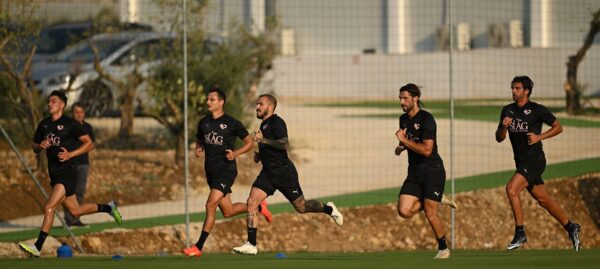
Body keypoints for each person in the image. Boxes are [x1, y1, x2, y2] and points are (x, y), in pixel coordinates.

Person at [232, 94, 343, 256]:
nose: (257, 107)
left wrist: (264, 141)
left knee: (302, 207)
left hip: (284, 173)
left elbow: (284, 143)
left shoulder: (277, 122)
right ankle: (251, 243)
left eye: (260, 104)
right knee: (252, 201)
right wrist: (261, 155)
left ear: (270, 106)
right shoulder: (263, 125)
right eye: (257, 104)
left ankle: (328, 209)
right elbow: (271, 147)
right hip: (268, 173)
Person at [18, 91, 121, 258]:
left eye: (53, 101)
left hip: (67, 172)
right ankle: (109, 207)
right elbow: (34, 147)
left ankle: (37, 246)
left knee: (49, 207)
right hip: (55, 173)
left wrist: (70, 154)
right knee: (76, 211)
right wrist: (41, 145)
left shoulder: (70, 124)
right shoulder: (44, 124)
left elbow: (90, 143)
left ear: (62, 105)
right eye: (49, 101)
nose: (50, 104)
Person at [182, 87, 273, 257]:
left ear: (221, 102)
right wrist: (198, 149)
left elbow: (249, 143)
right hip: (211, 171)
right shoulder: (204, 122)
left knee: (210, 205)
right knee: (228, 211)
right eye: (207, 99)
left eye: (212, 100)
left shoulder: (232, 123)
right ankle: (258, 207)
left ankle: (198, 247)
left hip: (226, 170)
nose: (208, 102)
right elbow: (200, 140)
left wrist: (236, 154)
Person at [495, 76, 580, 251]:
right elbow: (499, 138)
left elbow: (558, 127)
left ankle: (520, 233)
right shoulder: (507, 110)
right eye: (512, 88)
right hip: (521, 162)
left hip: (535, 160)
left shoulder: (537, 109)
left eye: (517, 88)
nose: (513, 91)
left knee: (511, 189)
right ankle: (570, 226)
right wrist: (503, 127)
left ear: (526, 91)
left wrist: (539, 137)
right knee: (543, 199)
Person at [394, 83, 453, 259]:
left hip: (432, 170)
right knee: (404, 211)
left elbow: (427, 150)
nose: (402, 102)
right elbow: (408, 142)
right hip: (414, 172)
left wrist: (404, 140)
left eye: (405, 98)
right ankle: (435, 198)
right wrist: (401, 146)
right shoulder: (403, 119)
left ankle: (443, 249)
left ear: (415, 98)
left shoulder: (427, 119)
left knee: (430, 212)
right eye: (400, 98)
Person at [64, 102, 95, 227]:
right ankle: (68, 220)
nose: (79, 115)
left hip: (83, 163)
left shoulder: (88, 127)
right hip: (69, 164)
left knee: (80, 192)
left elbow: (91, 144)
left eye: (81, 112)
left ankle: (76, 218)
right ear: (72, 113)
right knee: (68, 192)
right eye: (76, 112)